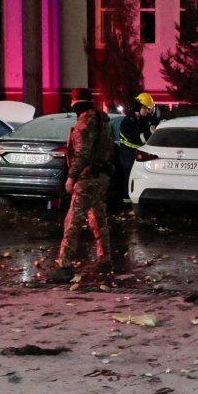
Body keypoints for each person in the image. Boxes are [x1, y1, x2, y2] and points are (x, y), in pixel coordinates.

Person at [48, 87, 116, 281]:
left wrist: (71, 176)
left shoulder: (85, 122)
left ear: (75, 102)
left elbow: (82, 153)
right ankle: (105, 259)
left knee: (73, 220)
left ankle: (64, 265)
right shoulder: (103, 120)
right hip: (103, 175)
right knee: (98, 216)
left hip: (88, 177)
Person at [116, 92, 156, 206]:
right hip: (127, 156)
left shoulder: (142, 119)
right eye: (146, 108)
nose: (148, 111)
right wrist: (150, 133)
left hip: (137, 155)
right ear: (139, 107)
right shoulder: (128, 122)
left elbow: (150, 125)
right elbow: (135, 139)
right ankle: (126, 205)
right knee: (129, 180)